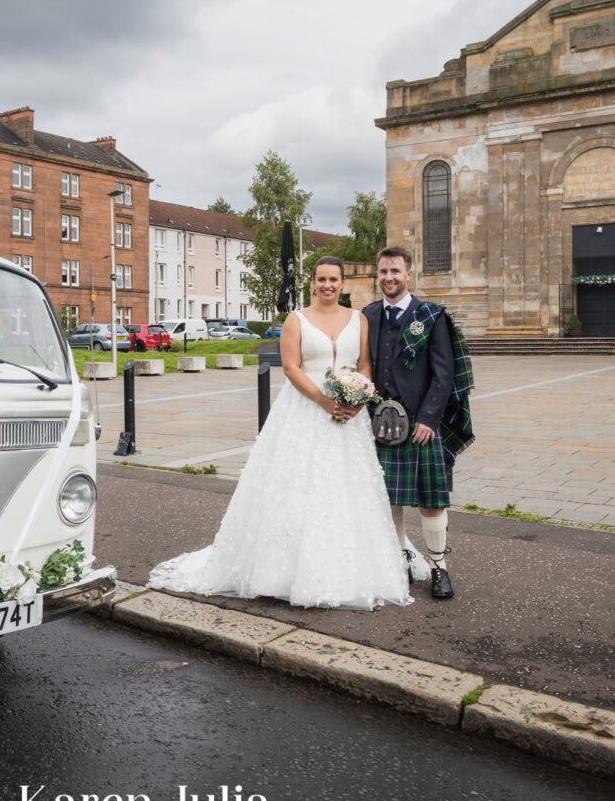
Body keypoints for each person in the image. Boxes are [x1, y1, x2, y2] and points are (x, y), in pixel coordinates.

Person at [148, 256, 427, 609]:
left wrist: (359, 396)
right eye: (321, 279)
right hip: (304, 412)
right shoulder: (296, 320)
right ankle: (282, 572)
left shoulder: (359, 320)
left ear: (343, 284)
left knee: (346, 487)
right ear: (312, 283)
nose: (328, 285)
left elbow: (365, 364)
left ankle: (351, 570)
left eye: (334, 279)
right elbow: (292, 369)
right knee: (297, 485)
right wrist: (324, 402)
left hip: (350, 416)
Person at [362, 245, 470, 600]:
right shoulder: (368, 315)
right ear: (377, 275)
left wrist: (428, 419)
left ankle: (439, 567)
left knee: (431, 501)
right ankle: (400, 558)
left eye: (395, 271)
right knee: (386, 499)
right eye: (383, 272)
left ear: (409, 274)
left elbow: (444, 374)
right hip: (379, 423)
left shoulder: (432, 316)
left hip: (420, 427)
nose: (389, 278)